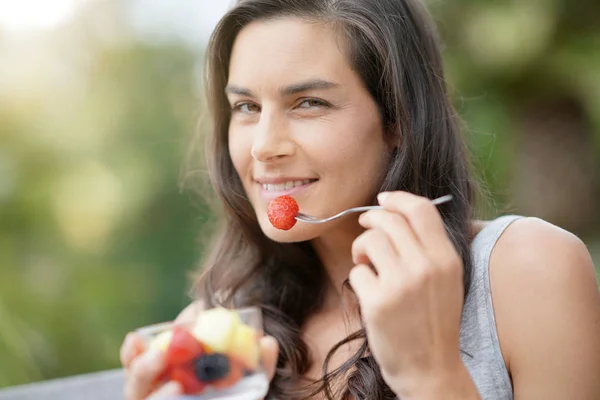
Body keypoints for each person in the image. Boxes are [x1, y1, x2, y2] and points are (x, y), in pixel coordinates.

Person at [119, 0, 600, 399]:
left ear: (397, 119)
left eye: (309, 103)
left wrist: (430, 374)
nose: (263, 145)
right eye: (246, 107)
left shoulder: (528, 272)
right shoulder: (216, 331)